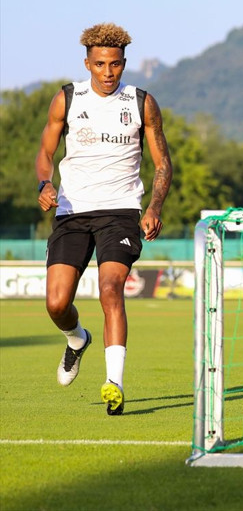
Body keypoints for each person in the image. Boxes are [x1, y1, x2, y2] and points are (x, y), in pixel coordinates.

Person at [35, 23, 173, 416]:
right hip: (72, 212)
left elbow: (163, 164)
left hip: (121, 210)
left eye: (114, 64)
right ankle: (77, 339)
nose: (108, 72)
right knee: (56, 303)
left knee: (111, 289)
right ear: (87, 64)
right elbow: (45, 152)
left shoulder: (142, 102)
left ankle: (114, 384)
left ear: (124, 63)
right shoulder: (67, 99)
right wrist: (45, 183)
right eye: (100, 64)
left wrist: (155, 207)